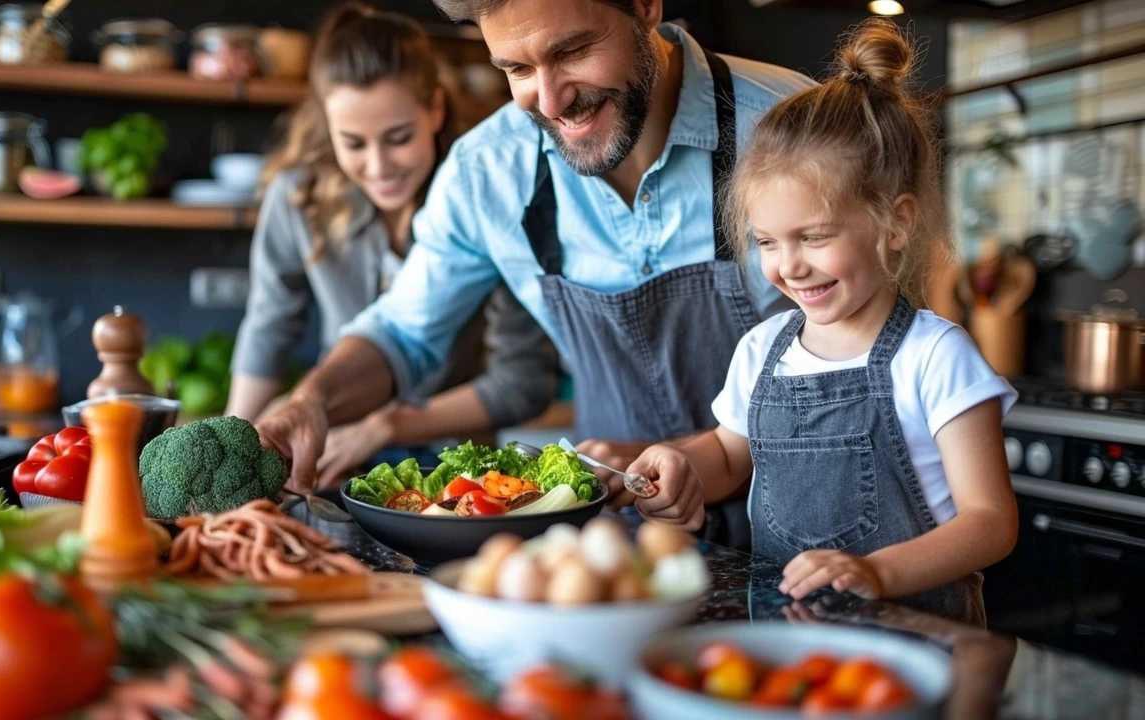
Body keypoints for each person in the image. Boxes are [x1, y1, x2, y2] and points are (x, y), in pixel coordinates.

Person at [256, 0, 816, 544]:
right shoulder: (488, 172)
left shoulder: (796, 127)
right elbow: (402, 332)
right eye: (518, 69)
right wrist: (311, 403)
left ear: (646, 6)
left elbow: (889, 351)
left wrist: (704, 454)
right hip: (616, 546)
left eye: (572, 50)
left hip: (809, 535)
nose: (550, 101)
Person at [624, 20, 1019, 624]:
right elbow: (731, 457)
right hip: (791, 637)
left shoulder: (936, 355)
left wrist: (877, 573)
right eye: (767, 242)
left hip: (919, 643)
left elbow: (990, 523)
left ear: (896, 224)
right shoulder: (762, 349)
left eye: (813, 236)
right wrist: (683, 463)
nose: (788, 266)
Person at [229, 3, 558, 486]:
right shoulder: (296, 199)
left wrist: (383, 426)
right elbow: (269, 328)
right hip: (332, 454)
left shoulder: (483, 195)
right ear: (327, 127)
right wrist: (236, 444)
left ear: (436, 110)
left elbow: (525, 382)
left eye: (398, 137)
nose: (379, 166)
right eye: (354, 144)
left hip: (457, 465)